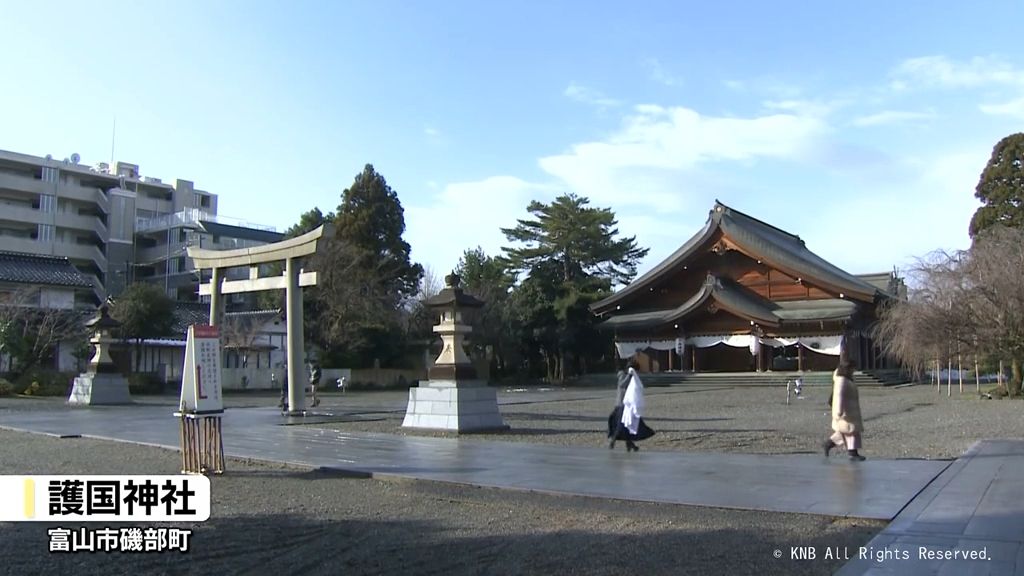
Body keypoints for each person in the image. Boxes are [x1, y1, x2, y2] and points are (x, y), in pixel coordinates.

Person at [608, 358, 656, 451]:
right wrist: (629, 376)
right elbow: (622, 385)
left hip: (629, 405)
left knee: (628, 425)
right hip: (621, 404)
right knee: (622, 425)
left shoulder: (633, 377)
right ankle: (613, 441)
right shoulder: (623, 375)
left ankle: (629, 444)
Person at [822, 359, 865, 461]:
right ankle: (852, 453)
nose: (853, 370)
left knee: (846, 432)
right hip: (846, 411)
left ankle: (828, 444)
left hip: (850, 409)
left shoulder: (846, 379)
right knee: (850, 431)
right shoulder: (842, 381)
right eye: (852, 368)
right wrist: (839, 411)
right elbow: (838, 396)